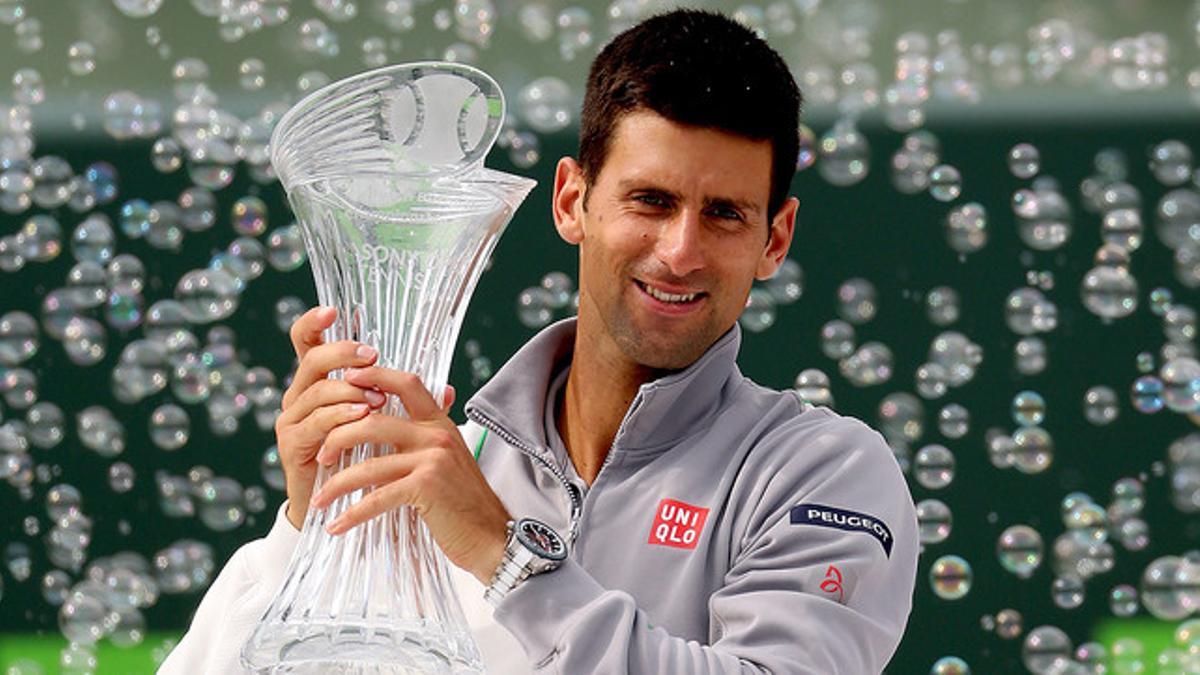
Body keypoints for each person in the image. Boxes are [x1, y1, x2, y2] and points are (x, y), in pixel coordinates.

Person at [162, 8, 918, 674]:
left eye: (723, 214)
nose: (681, 250)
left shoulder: (824, 474)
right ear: (571, 201)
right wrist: (311, 530)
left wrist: (508, 557)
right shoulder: (429, 474)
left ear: (774, 238)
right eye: (649, 200)